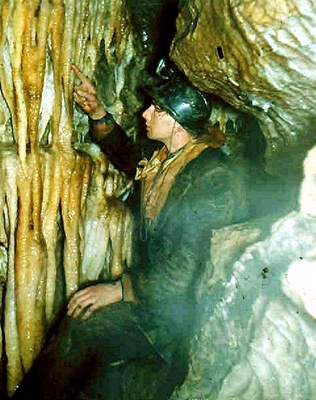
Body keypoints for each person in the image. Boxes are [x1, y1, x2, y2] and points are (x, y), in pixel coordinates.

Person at [12, 61, 249, 400]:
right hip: (158, 301)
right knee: (85, 311)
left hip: (181, 318)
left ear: (175, 122)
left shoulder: (215, 180)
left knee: (84, 324)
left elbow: (186, 273)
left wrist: (121, 290)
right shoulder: (170, 155)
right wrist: (97, 113)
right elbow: (129, 156)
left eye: (156, 108)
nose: (145, 113)